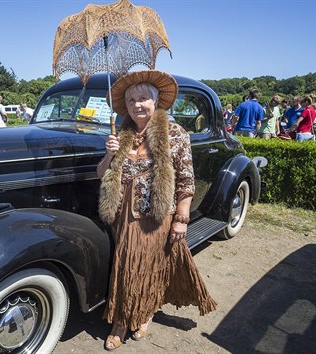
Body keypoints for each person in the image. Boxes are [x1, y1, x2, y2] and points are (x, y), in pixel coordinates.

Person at [96, 70, 216, 351]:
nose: (137, 105)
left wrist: (181, 220)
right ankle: (124, 319)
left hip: (157, 215)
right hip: (124, 214)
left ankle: (141, 315)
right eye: (131, 100)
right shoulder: (120, 134)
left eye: (143, 98)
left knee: (149, 267)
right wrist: (110, 153)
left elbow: (186, 179)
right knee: (126, 267)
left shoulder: (175, 134)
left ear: (156, 101)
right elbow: (102, 174)